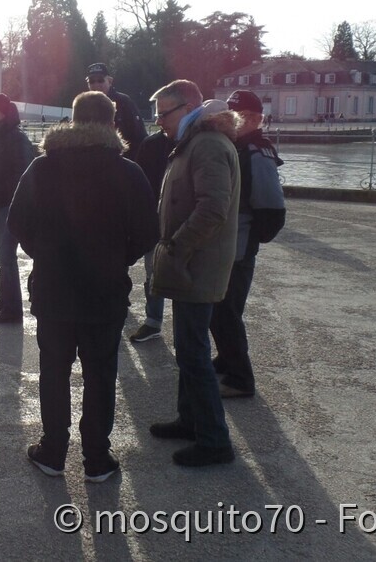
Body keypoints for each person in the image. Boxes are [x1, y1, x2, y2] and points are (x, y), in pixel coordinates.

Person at [10, 91, 158, 483]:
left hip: (54, 288)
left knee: (54, 370)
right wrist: (116, 258)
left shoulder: (42, 168)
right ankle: (96, 457)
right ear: (113, 123)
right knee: (100, 372)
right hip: (104, 290)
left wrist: (44, 253)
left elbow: (17, 222)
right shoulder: (129, 172)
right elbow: (148, 233)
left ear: (73, 121)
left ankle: (53, 451)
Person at [147, 80, 242, 468]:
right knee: (189, 348)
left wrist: (177, 247)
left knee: (194, 353)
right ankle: (192, 421)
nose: (158, 123)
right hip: (192, 264)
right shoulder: (197, 142)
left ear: (187, 109)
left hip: (197, 264)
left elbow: (212, 209)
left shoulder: (206, 146)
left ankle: (214, 439)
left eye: (163, 114)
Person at [210, 90, 286, 398]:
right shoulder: (239, 146)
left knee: (226, 311)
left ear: (256, 119)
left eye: (237, 115)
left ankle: (241, 378)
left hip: (239, 247)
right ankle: (227, 360)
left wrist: (251, 238)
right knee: (221, 309)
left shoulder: (255, 151)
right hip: (231, 243)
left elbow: (272, 209)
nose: (231, 120)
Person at [0, 93, 35, 324]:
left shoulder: (16, 138)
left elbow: (25, 175)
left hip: (10, 206)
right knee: (1, 255)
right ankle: (5, 300)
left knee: (6, 255)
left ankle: (13, 309)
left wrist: (14, 201)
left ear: (4, 111)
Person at [128, 125, 176, 343]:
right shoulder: (151, 144)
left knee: (185, 277)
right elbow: (138, 183)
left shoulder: (196, 143)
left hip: (180, 220)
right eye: (158, 115)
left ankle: (184, 331)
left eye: (164, 114)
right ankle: (153, 321)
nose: (160, 120)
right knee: (152, 272)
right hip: (154, 219)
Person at [86, 63, 147, 149]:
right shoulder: (84, 105)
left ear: (110, 81)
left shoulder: (124, 102)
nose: (96, 85)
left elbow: (139, 136)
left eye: (100, 80)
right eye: (92, 81)